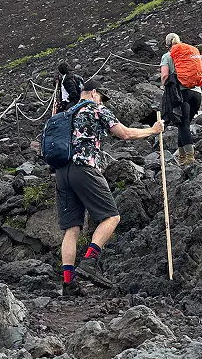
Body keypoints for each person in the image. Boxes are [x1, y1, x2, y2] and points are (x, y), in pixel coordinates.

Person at [56, 78, 163, 294]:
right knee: (111, 217)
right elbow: (125, 134)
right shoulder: (97, 110)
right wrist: (153, 130)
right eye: (102, 98)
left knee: (72, 228)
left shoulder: (65, 114)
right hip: (84, 169)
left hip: (61, 173)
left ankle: (68, 283)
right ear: (94, 93)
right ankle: (89, 262)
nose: (103, 102)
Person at [159, 33, 202, 166]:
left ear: (167, 44)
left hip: (181, 94)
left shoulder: (167, 56)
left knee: (183, 124)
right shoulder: (190, 53)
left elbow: (165, 76)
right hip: (197, 93)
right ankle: (182, 158)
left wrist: (164, 85)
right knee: (184, 124)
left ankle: (189, 157)